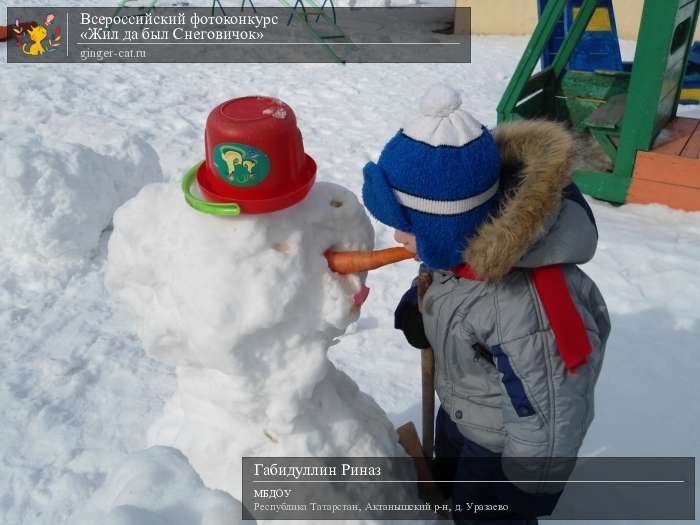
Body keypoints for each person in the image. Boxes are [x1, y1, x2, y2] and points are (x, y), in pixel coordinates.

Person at [361, 84, 611, 524]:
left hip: (502, 448)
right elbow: (453, 283)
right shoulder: (467, 242)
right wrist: (421, 308)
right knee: (454, 485)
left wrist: (526, 487)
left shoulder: (531, 305)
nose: (398, 239)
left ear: (447, 229)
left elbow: (552, 409)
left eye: (408, 228)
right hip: (463, 408)